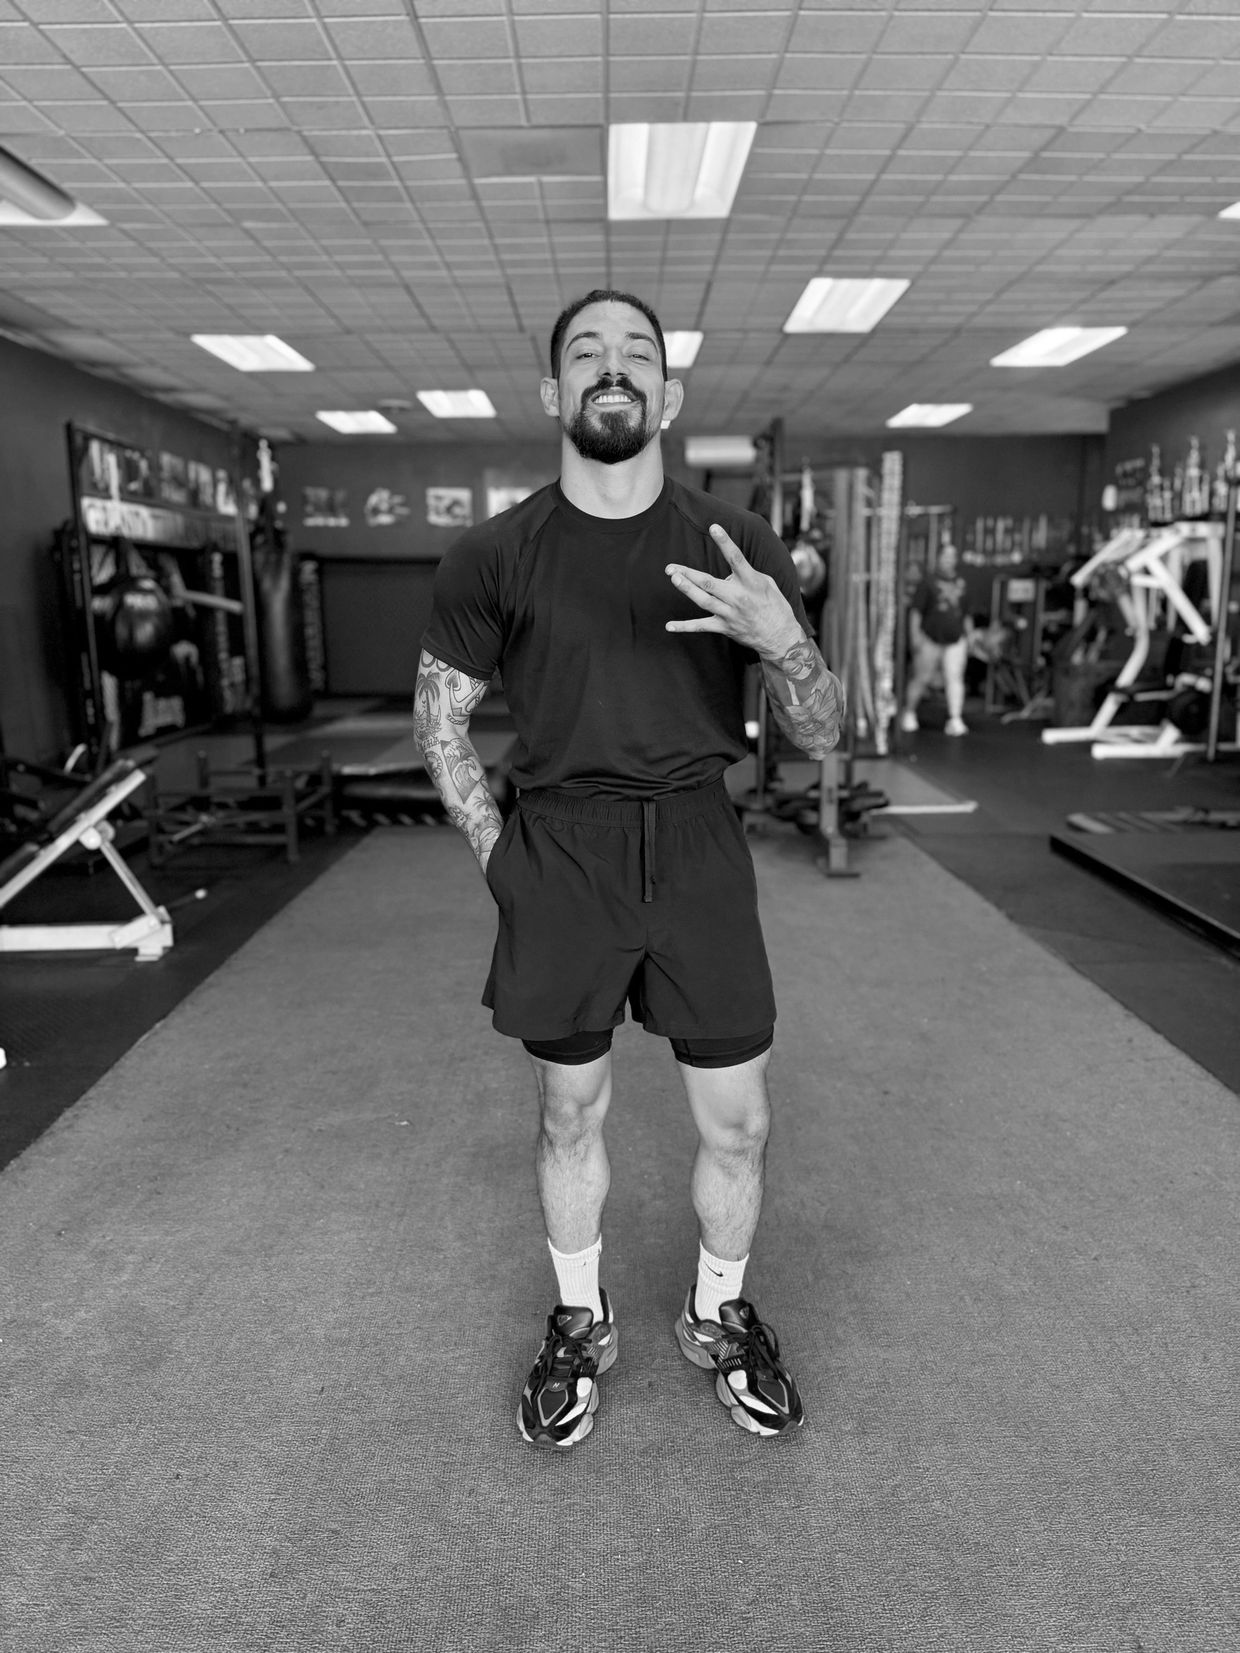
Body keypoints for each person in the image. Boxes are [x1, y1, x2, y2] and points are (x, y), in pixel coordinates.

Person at [414, 289, 845, 1448]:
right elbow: (439, 722)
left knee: (739, 1122)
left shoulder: (735, 544)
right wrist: (505, 862)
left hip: (698, 845)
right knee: (569, 1110)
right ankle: (576, 1315)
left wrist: (786, 642)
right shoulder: (495, 553)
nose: (615, 367)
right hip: (559, 850)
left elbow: (823, 735)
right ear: (555, 393)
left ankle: (719, 1314)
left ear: (669, 394)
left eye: (638, 354)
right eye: (587, 354)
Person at [900, 539, 974, 736]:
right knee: (921, 677)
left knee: (954, 678)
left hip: (955, 639)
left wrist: (970, 636)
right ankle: (909, 712)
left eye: (952, 556)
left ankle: (955, 718)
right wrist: (915, 636)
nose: (949, 560)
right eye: (945, 556)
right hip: (930, 638)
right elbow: (916, 612)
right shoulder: (928, 583)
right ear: (939, 558)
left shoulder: (962, 584)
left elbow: (966, 613)